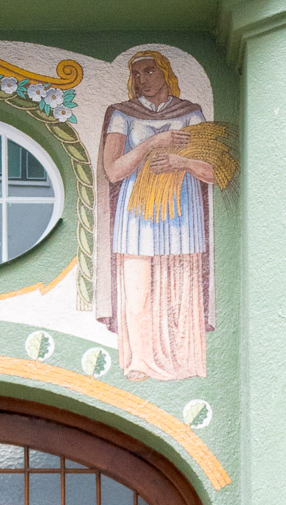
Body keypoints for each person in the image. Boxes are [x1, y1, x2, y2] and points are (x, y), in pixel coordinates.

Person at [96, 50, 215, 381]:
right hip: (136, 214)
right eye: (136, 74)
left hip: (181, 212)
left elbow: (212, 171)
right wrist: (153, 144)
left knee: (181, 287)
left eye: (149, 72)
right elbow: (114, 170)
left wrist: (182, 162)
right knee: (138, 290)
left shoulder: (190, 114)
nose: (142, 80)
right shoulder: (123, 115)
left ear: (165, 73)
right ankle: (140, 361)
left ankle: (180, 359)